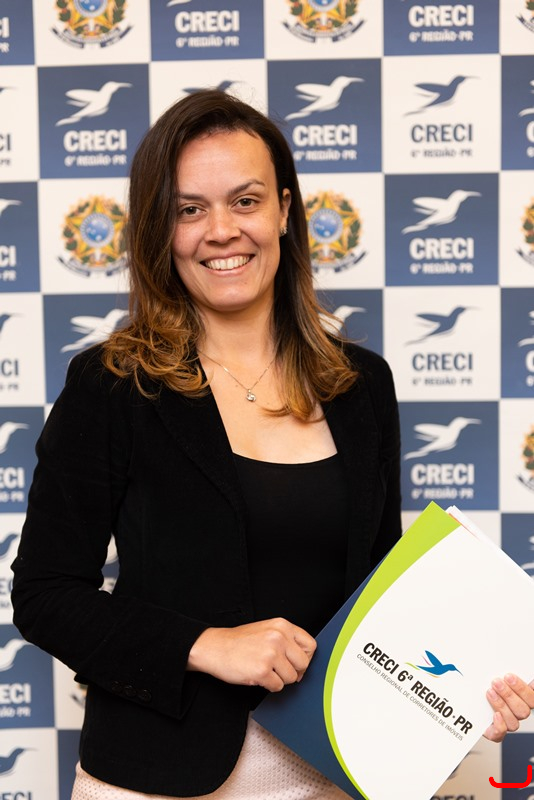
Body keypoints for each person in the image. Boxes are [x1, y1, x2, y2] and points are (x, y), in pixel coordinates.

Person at [11, 90, 534, 800]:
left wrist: (466, 693)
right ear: (161, 229)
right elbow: (44, 594)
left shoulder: (362, 387)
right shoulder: (113, 385)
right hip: (153, 779)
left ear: (285, 210)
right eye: (189, 209)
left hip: (333, 771)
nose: (221, 230)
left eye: (246, 201)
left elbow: (382, 605)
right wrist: (207, 645)